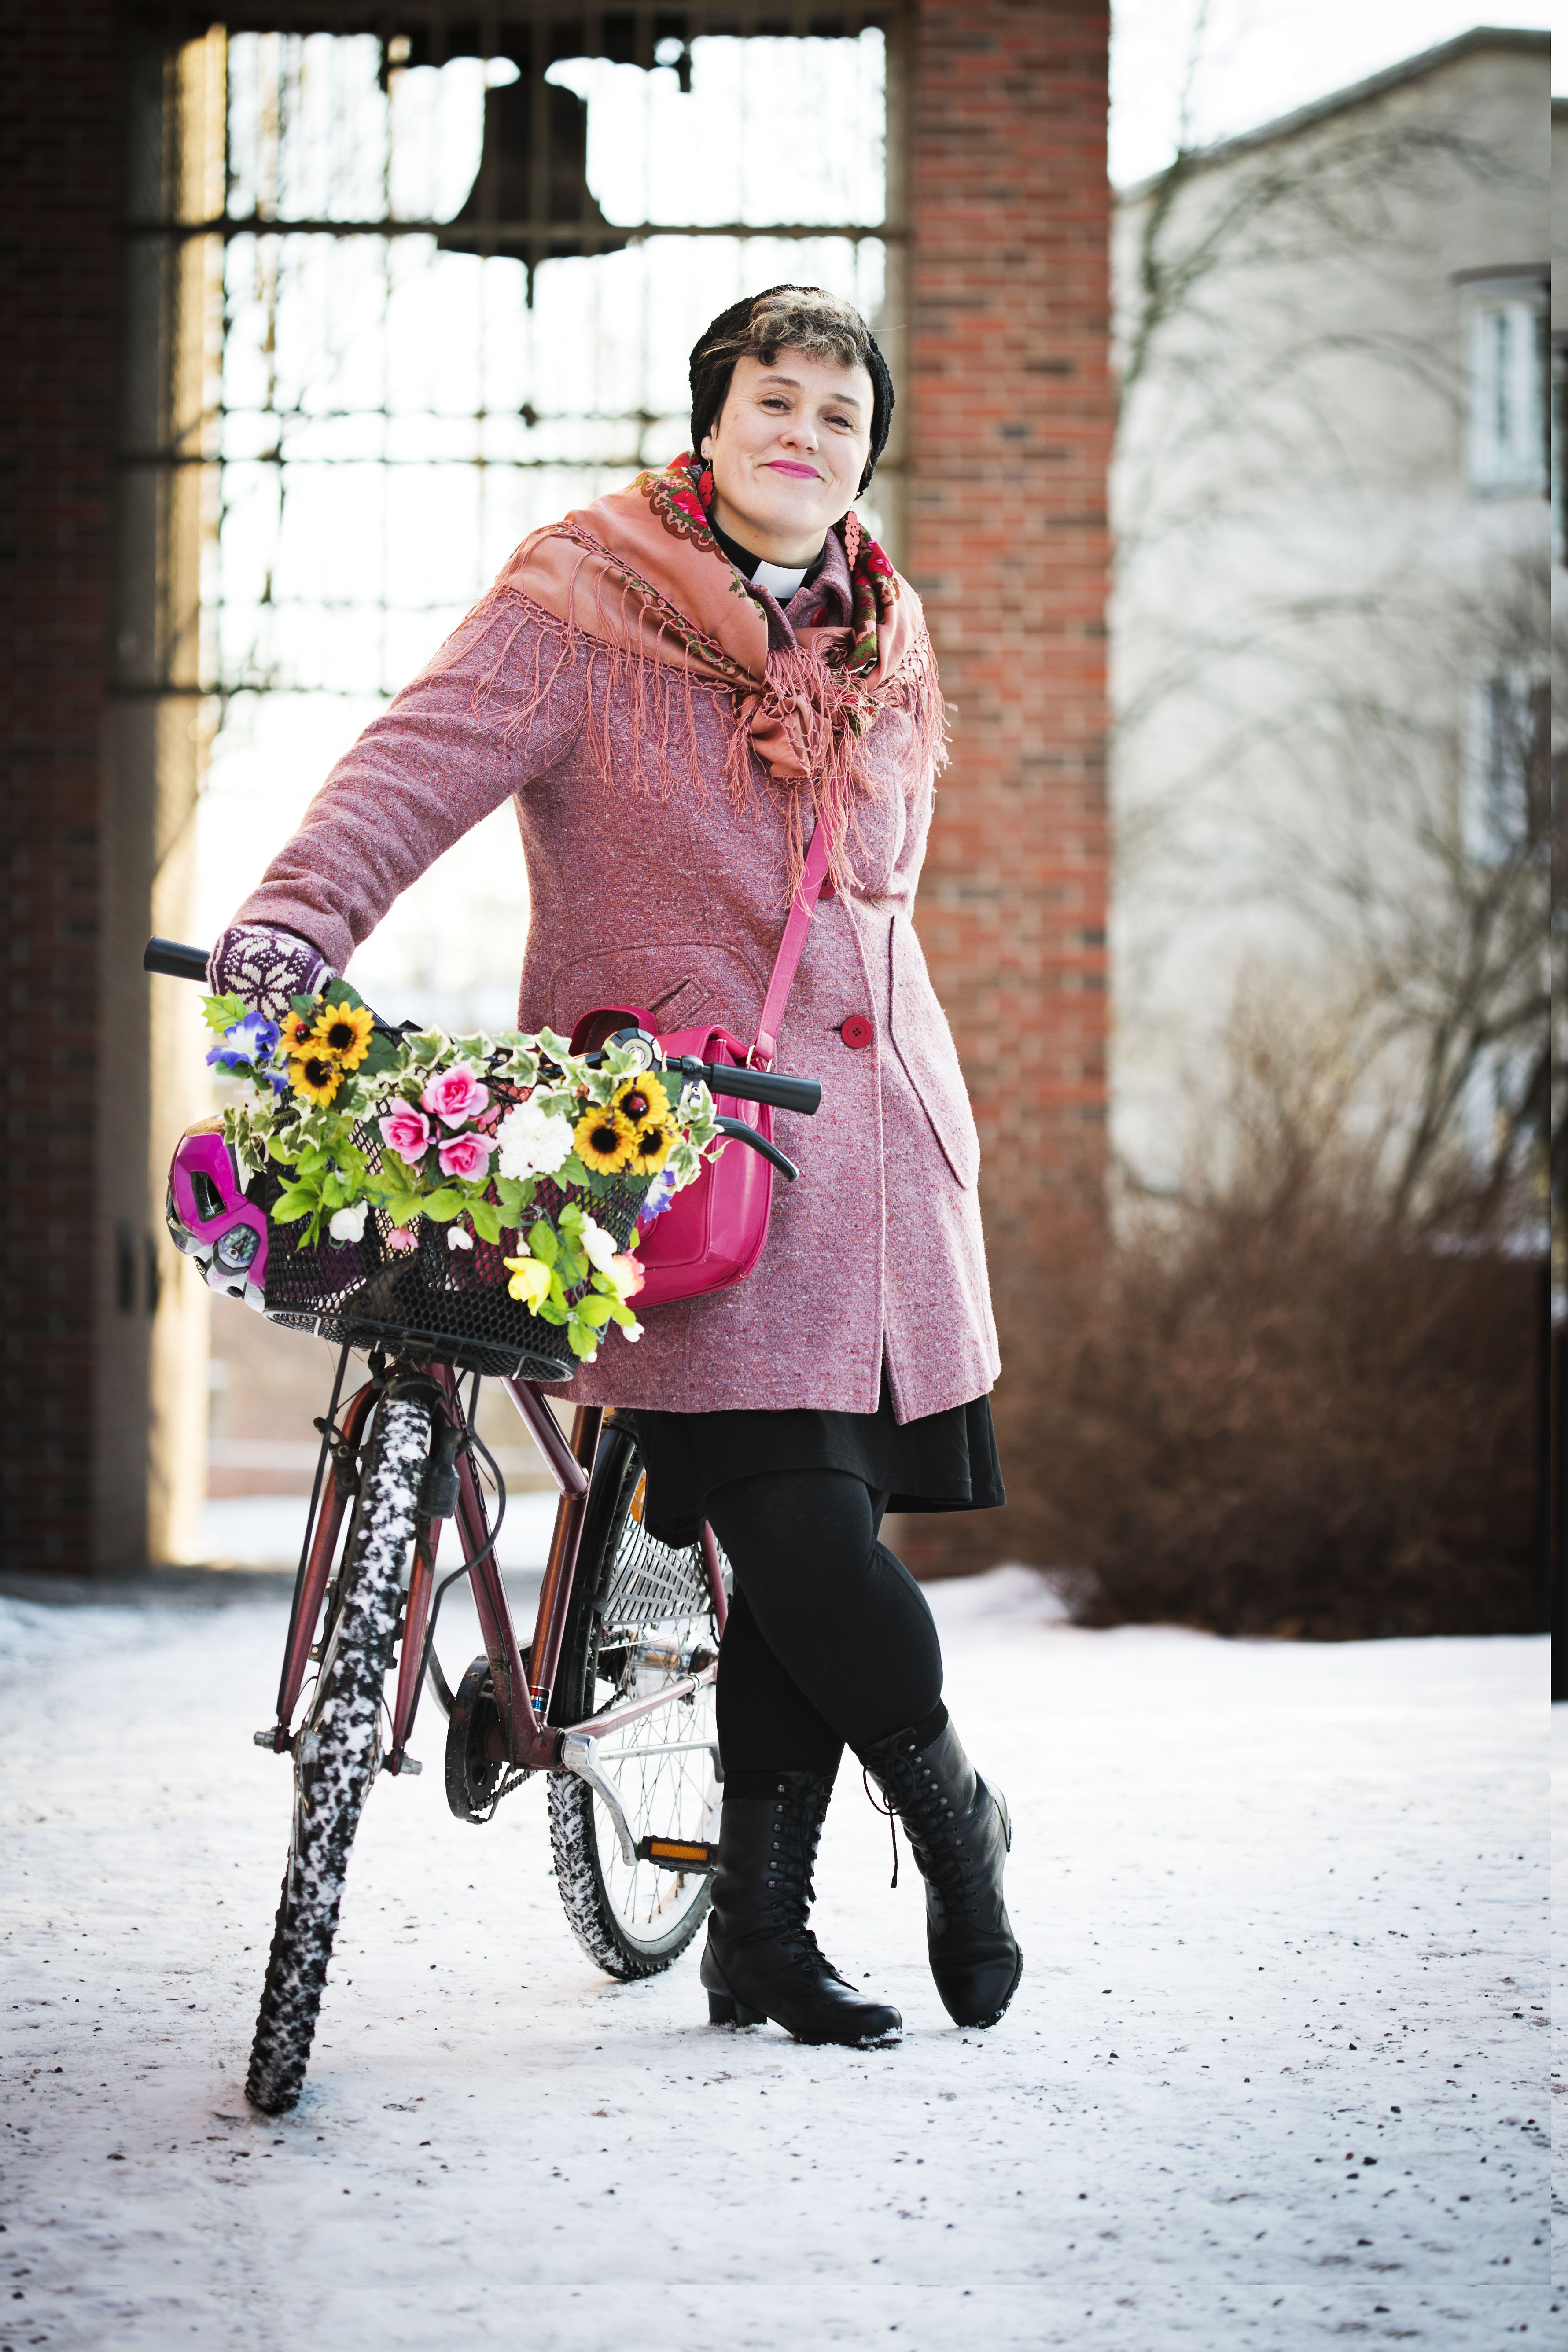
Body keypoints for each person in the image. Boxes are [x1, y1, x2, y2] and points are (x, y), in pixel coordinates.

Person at [211, 285, 1021, 2049]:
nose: (806, 434)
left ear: (863, 457)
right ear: (710, 423)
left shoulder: (886, 637)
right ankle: (957, 1809)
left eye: (841, 415)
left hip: (873, 1156)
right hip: (670, 1151)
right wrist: (293, 926)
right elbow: (409, 769)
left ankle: (761, 1941)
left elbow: (872, 908)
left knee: (808, 1540)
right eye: (776, 400)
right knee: (797, 1530)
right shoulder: (581, 599)